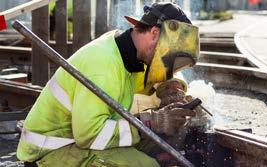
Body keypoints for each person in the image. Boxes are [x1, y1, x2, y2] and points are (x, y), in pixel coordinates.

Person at [16, 2, 199, 167]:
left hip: (76, 139)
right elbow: (90, 136)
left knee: (162, 145)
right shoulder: (102, 65)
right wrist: (152, 122)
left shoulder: (129, 52)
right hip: (50, 152)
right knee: (146, 165)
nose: (168, 68)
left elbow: (156, 75)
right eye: (171, 59)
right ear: (155, 33)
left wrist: (174, 86)